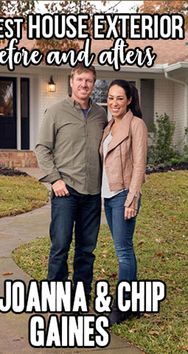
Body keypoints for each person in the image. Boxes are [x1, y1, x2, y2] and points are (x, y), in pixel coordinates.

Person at [35, 64, 108, 304]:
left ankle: (79, 297)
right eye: (80, 80)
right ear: (71, 82)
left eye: (89, 81)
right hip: (65, 190)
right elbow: (42, 148)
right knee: (60, 246)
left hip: (92, 192)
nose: (84, 85)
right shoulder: (56, 111)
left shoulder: (101, 114)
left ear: (94, 84)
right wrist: (55, 179)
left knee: (86, 250)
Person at [101, 79, 148, 324]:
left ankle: (122, 305)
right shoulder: (109, 126)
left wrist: (132, 199)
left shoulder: (136, 125)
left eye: (119, 98)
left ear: (129, 100)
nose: (114, 103)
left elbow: (139, 164)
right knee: (125, 249)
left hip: (123, 195)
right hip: (108, 196)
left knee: (123, 252)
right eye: (110, 97)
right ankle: (135, 301)